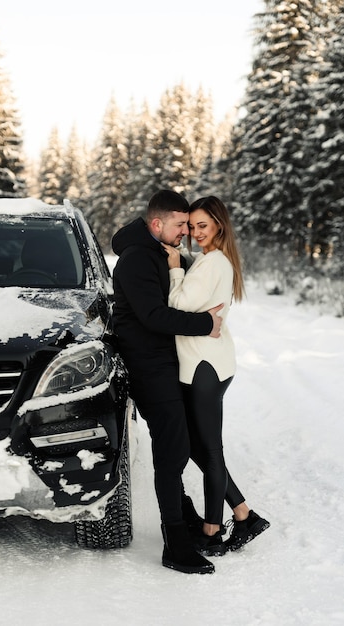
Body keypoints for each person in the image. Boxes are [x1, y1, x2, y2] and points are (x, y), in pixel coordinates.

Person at [111, 189, 224, 575]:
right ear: (157, 224)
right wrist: (206, 324)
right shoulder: (136, 260)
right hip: (149, 368)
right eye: (180, 225)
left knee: (179, 444)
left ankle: (189, 521)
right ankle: (175, 544)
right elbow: (155, 317)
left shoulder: (159, 251)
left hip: (166, 364)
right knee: (171, 454)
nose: (185, 232)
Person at [163, 195, 270, 557]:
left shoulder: (212, 263)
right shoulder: (210, 261)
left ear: (219, 226)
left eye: (202, 226)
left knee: (208, 450)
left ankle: (211, 531)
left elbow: (178, 305)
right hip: (207, 363)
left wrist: (175, 267)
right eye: (191, 226)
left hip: (204, 367)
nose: (194, 232)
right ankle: (243, 513)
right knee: (199, 446)